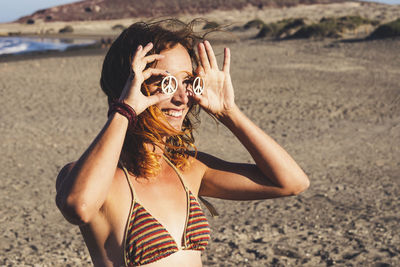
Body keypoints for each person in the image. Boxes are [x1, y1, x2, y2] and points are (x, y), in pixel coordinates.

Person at [55, 20, 309, 267]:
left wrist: (229, 113)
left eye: (187, 81)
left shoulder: (188, 168)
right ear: (127, 86)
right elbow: (79, 206)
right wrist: (125, 110)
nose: (181, 97)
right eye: (165, 82)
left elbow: (291, 182)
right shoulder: (90, 178)